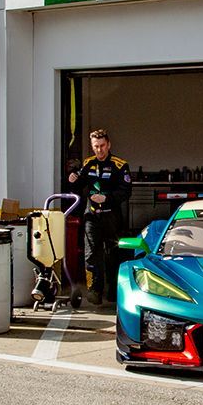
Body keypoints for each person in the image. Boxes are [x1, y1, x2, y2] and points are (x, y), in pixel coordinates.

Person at [69, 128, 131, 308]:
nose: (99, 150)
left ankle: (113, 290)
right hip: (92, 216)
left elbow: (126, 191)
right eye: (96, 146)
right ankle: (94, 290)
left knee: (114, 253)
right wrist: (73, 181)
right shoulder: (88, 164)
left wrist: (107, 198)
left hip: (112, 215)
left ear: (109, 144)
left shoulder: (120, 165)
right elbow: (77, 187)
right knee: (91, 253)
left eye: (102, 146)